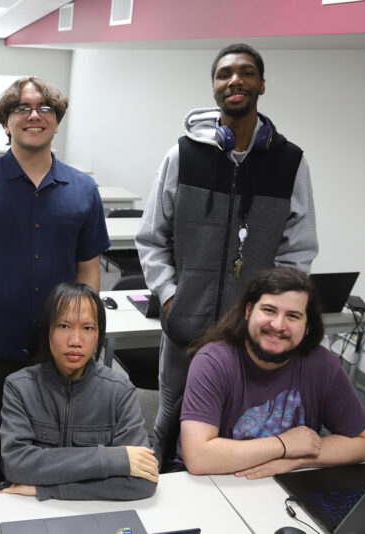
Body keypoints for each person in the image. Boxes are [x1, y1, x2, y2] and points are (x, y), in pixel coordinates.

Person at [136, 43, 319, 459]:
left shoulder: (289, 162)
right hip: (185, 324)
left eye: (246, 72)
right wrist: (169, 298)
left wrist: (270, 312)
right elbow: (152, 238)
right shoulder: (182, 155)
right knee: (170, 416)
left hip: (250, 330)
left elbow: (298, 250)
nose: (235, 80)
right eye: (224, 74)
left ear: (262, 84)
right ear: (215, 87)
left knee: (239, 420)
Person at [0, 77, 111, 495]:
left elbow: (88, 273)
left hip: (57, 346)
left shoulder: (83, 190)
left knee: (57, 443)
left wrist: (85, 336)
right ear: (6, 122)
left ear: (57, 120)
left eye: (45, 108)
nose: (34, 115)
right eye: (21, 108)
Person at [176, 267, 365, 478]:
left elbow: (364, 443)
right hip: (216, 481)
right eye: (269, 310)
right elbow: (198, 458)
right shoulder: (213, 362)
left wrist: (296, 461)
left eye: (293, 316)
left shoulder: (323, 365)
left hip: (285, 482)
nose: (278, 325)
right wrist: (283, 445)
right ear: (248, 311)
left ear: (307, 327)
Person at [0, 282, 158, 500]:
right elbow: (17, 466)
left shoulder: (119, 392)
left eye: (87, 328)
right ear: (47, 331)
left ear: (98, 335)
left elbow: (143, 482)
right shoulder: (19, 388)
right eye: (64, 326)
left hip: (77, 508)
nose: (75, 341)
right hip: (31, 509)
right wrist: (111, 460)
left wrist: (48, 490)